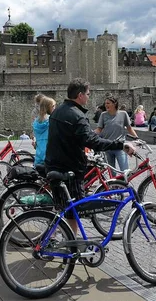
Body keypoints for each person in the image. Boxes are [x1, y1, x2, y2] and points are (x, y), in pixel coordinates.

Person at [45, 78, 135, 233]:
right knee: (74, 211)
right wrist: (121, 145)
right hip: (70, 169)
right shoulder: (77, 116)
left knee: (64, 208)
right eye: (87, 94)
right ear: (80, 95)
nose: (88, 96)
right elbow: (93, 141)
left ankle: (61, 238)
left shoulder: (58, 110)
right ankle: (72, 247)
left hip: (53, 163)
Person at [94, 94, 138, 172]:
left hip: (120, 146)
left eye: (108, 103)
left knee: (125, 170)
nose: (106, 105)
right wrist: (90, 135)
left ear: (114, 104)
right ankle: (113, 184)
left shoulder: (123, 114)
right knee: (112, 173)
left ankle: (125, 184)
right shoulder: (103, 115)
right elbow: (99, 129)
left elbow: (129, 128)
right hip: (107, 147)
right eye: (105, 103)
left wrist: (137, 139)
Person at [32, 97, 56, 165]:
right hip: (50, 156)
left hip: (39, 156)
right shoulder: (51, 121)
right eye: (53, 106)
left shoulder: (36, 122)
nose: (55, 108)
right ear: (49, 107)